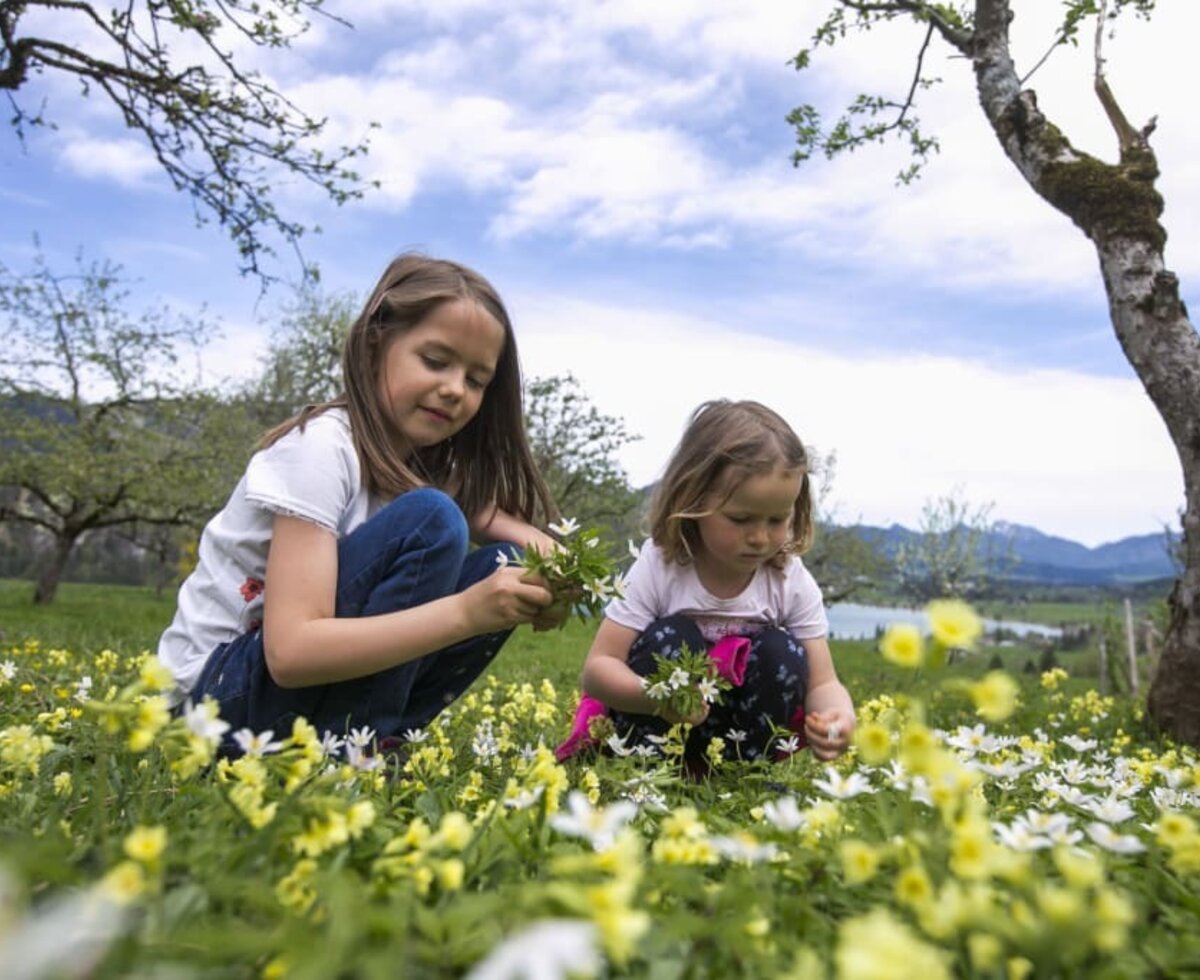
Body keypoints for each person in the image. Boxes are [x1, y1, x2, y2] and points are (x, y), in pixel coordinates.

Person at [158, 253, 565, 747]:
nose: (455, 389)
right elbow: (289, 655)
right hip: (212, 706)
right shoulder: (322, 450)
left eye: (476, 380)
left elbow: (484, 513)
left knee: (504, 561)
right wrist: (467, 613)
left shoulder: (418, 468)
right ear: (375, 345)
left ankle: (372, 736)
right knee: (433, 519)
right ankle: (357, 754)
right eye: (436, 361)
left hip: (278, 707)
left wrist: (547, 564)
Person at [578, 399, 855, 765]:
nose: (759, 537)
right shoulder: (662, 565)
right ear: (693, 500)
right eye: (740, 518)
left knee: (781, 651)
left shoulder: (788, 578)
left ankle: (750, 774)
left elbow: (822, 682)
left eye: (777, 520)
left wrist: (838, 716)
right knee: (673, 636)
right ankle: (648, 768)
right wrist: (659, 697)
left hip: (735, 740)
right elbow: (598, 670)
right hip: (659, 720)